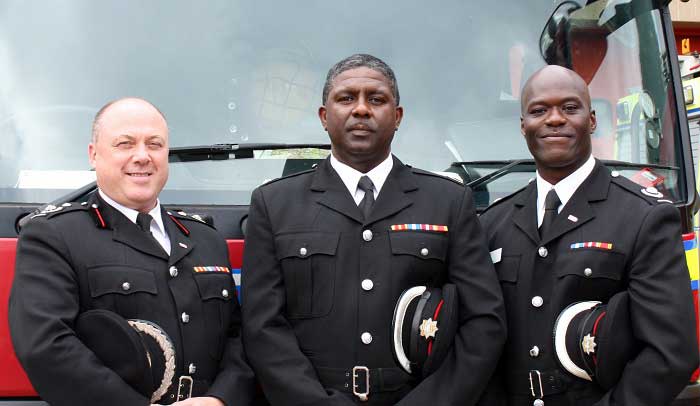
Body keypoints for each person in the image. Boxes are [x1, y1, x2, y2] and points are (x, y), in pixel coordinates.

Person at [241, 53, 506, 405]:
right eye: (347, 98)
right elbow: (263, 328)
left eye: (376, 99)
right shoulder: (274, 205)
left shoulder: (449, 201)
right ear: (324, 116)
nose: (361, 109)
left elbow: (484, 323)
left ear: (397, 117)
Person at [9, 97, 255, 406]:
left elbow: (240, 339)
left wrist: (221, 400)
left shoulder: (206, 239)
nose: (142, 156)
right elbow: (46, 346)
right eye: (125, 144)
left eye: (154, 144)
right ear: (93, 154)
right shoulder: (54, 236)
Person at [478, 65, 698, 406]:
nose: (554, 119)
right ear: (523, 126)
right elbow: (480, 340)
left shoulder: (644, 218)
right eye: (539, 111)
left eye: (569, 108)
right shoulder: (493, 222)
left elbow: (671, 353)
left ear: (592, 120)